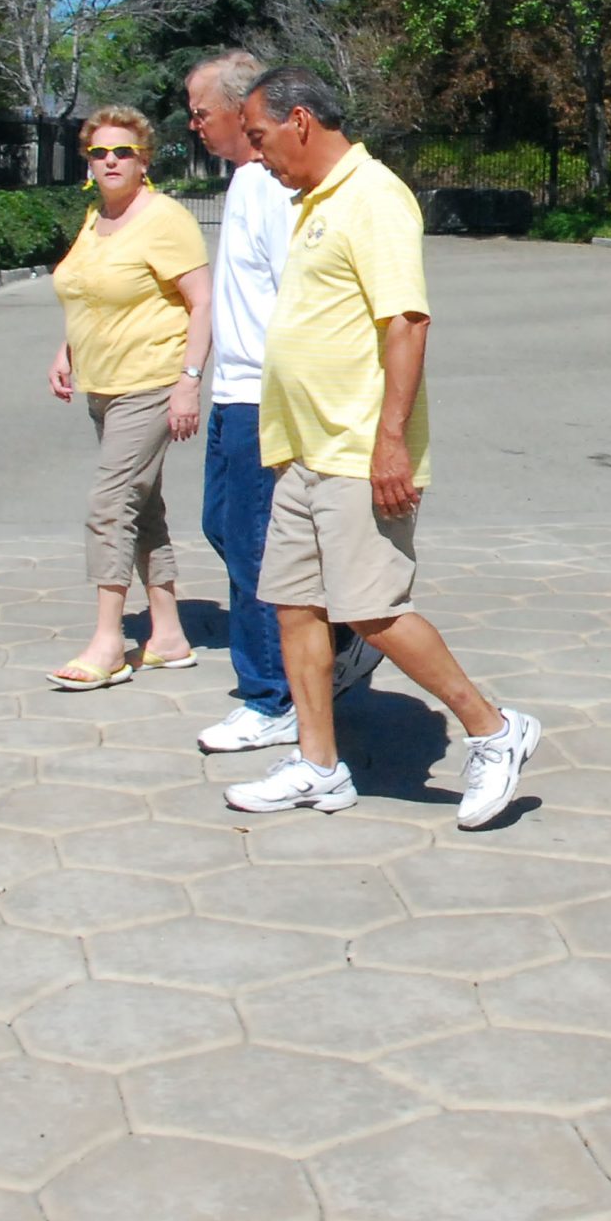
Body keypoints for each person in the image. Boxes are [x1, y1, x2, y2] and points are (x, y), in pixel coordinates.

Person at [227, 66, 542, 827]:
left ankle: (494, 730)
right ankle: (318, 765)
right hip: (305, 450)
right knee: (295, 607)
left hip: (357, 450)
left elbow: (407, 321)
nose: (258, 156)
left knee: (372, 611)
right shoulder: (314, 203)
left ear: (301, 121)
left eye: (261, 137)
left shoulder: (372, 196)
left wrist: (390, 443)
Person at [183, 50, 381, 753]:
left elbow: (295, 291)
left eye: (202, 111)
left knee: (256, 550)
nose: (195, 124)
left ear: (242, 109)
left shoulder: (272, 187)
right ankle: (334, 643)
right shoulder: (246, 182)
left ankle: (272, 696)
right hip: (234, 390)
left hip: (263, 395)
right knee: (223, 527)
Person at [46, 106, 213, 691]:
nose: (110, 161)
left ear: (145, 160)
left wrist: (189, 381)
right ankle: (167, 635)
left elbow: (202, 301)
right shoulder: (98, 218)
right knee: (142, 507)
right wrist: (67, 349)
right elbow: (88, 291)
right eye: (99, 153)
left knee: (110, 503)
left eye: (123, 152)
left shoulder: (164, 219)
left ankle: (108, 641)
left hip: (151, 382)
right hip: (103, 385)